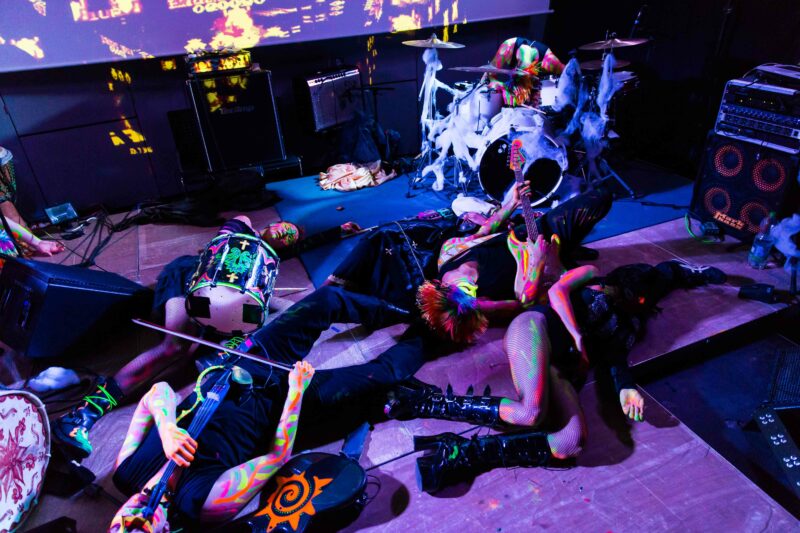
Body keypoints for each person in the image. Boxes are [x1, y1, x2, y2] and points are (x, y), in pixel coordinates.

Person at [385, 259, 727, 492]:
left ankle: (465, 453)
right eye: (631, 293)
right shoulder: (593, 277)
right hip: (536, 329)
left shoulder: (627, 328)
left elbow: (617, 360)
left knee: (571, 442)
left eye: (639, 300)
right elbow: (556, 292)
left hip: (559, 368)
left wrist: (626, 389)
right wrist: (577, 335)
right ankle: (425, 401)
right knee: (530, 412)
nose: (634, 299)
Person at [52, 216, 358, 460]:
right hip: (191, 277)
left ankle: (223, 352)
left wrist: (338, 231)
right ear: (270, 225)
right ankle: (83, 413)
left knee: (288, 313)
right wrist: (245, 229)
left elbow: (306, 243)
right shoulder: (245, 233)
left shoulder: (269, 258)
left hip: (231, 301)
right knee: (174, 347)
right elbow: (237, 221)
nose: (283, 234)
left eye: (288, 236)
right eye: (282, 228)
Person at [485, 37, 566, 107]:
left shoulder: (550, 62)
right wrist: (500, 86)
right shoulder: (508, 47)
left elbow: (570, 75)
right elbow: (487, 77)